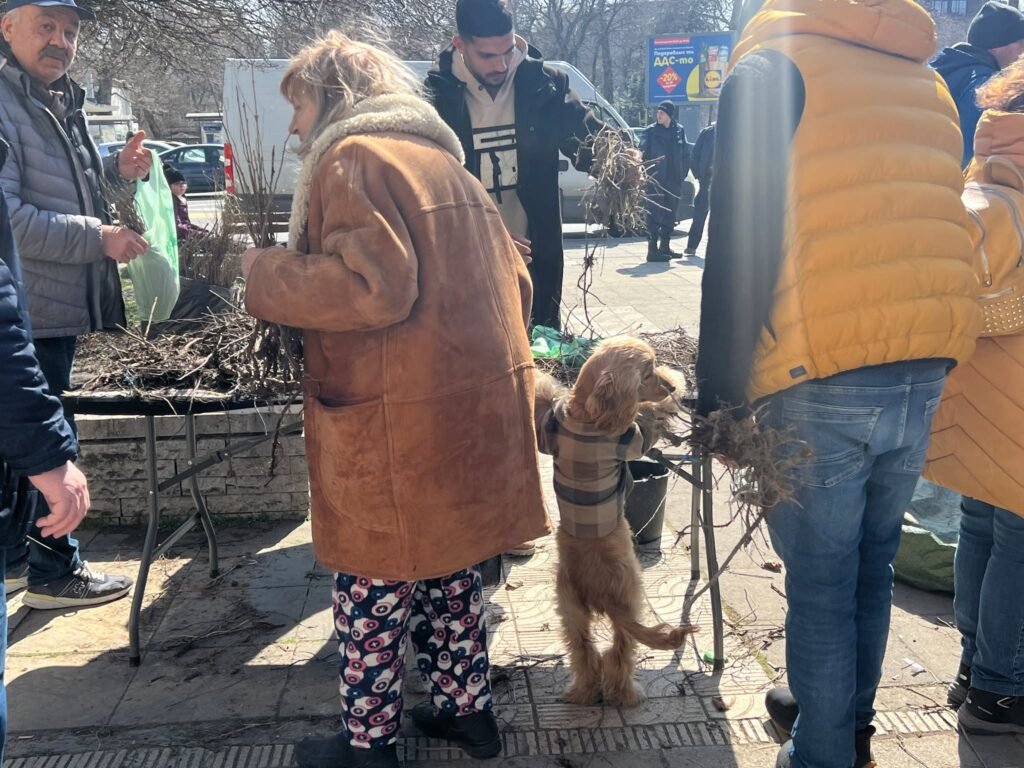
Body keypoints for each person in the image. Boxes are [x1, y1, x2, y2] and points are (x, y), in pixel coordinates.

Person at [241, 32, 549, 768]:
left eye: (299, 105)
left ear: (333, 98)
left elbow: (374, 288)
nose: (294, 127)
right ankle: (467, 715)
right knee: (450, 569)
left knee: (372, 583)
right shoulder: (444, 162)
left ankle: (369, 744)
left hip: (392, 420)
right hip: (461, 416)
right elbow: (520, 282)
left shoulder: (353, 159)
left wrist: (266, 271)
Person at [695, 0, 980, 767]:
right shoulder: (926, 79)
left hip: (820, 370)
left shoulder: (773, 66)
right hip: (923, 361)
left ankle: (821, 754)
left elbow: (740, 242)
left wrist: (718, 399)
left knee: (822, 582)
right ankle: (846, 728)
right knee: (870, 567)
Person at [0, 0, 149, 608]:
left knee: (24, 446)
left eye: (70, 31)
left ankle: (22, 566)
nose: (61, 41)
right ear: (6, 27)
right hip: (25, 313)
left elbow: (59, 186)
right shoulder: (6, 103)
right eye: (46, 27)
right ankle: (51, 572)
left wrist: (114, 170)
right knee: (38, 441)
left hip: (48, 309)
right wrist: (98, 239)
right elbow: (9, 221)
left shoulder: (52, 97)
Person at [923, 62, 1024, 735]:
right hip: (1019, 390)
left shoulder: (986, 159)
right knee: (1017, 538)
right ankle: (998, 688)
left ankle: (972, 667)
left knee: (981, 525)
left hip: (978, 378)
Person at [424, 0, 609, 331]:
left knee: (539, 348)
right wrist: (484, 237)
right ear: (460, 45)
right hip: (464, 264)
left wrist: (618, 159)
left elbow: (589, 141)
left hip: (534, 259)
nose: (501, 65)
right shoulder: (434, 99)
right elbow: (425, 194)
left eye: (508, 51)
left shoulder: (545, 86)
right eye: (487, 56)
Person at [0, 135, 92, 764]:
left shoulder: (55, 109)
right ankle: (47, 568)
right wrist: (50, 458)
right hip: (41, 319)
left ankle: (34, 564)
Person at [932, 0, 1024, 167]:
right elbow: (977, 155)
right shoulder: (986, 86)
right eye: (1022, 43)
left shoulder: (939, 70)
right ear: (996, 46)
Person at [641, 100, 689, 262]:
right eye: (658, 112)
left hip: (674, 180)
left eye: (662, 112)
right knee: (654, 213)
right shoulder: (650, 132)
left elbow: (685, 154)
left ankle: (665, 247)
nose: (658, 115)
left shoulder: (679, 130)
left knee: (670, 213)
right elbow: (642, 154)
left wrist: (682, 174)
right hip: (655, 180)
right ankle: (652, 250)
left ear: (669, 115)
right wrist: (647, 175)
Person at [683, 122, 714, 258]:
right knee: (699, 215)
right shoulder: (707, 133)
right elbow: (695, 155)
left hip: (727, 181)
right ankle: (691, 246)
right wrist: (698, 175)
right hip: (707, 180)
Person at [164, 165, 207, 242]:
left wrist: (202, 231)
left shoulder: (182, 197)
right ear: (169, 186)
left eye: (183, 183)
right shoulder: (170, 201)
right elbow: (178, 228)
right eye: (177, 183)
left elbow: (187, 223)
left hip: (186, 232)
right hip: (179, 237)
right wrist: (199, 234)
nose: (181, 186)